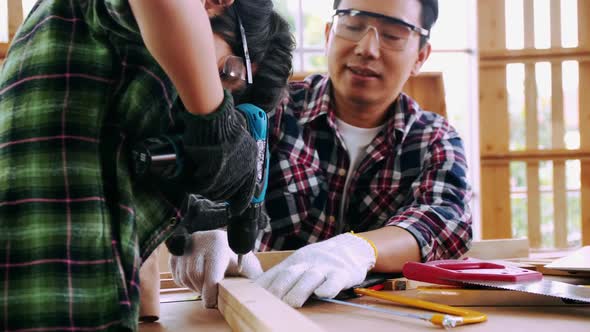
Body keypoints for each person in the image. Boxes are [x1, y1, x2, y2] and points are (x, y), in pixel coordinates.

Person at [0, 0, 293, 331]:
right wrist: (214, 122)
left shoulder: (96, 47)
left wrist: (185, 217)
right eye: (228, 73)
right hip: (55, 302)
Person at [171, 0, 472, 309]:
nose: (367, 48)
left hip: (378, 322)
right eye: (353, 26)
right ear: (329, 34)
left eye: (393, 34)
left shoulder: (434, 139)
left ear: (420, 56)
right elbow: (203, 173)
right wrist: (199, 231)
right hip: (255, 312)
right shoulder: (268, 108)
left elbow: (446, 222)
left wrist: (359, 250)